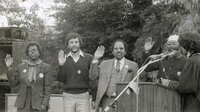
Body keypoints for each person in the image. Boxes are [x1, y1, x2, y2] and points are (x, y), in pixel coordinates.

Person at [89, 39, 138, 112]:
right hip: (107, 101)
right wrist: (96, 58)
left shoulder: (133, 65)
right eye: (116, 48)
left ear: (125, 51)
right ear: (112, 51)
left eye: (121, 48)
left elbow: (136, 85)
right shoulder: (104, 64)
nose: (118, 50)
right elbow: (92, 76)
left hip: (125, 101)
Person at [5, 41, 53, 112]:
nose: (32, 52)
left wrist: (44, 104)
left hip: (39, 103)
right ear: (27, 53)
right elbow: (13, 83)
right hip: (23, 104)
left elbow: (48, 88)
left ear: (39, 52)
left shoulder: (46, 67)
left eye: (35, 50)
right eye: (30, 51)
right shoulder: (20, 67)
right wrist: (9, 68)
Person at [56, 32, 93, 112]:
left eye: (76, 42)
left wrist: (95, 97)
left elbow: (93, 78)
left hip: (83, 96)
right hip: (68, 96)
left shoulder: (89, 58)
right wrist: (61, 65)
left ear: (80, 43)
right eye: (71, 42)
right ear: (68, 45)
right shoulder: (63, 58)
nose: (74, 44)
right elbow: (60, 79)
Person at [178, 32, 200, 112]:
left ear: (188, 47)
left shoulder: (192, 61)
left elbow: (186, 86)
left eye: (182, 46)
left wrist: (169, 83)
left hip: (193, 105)